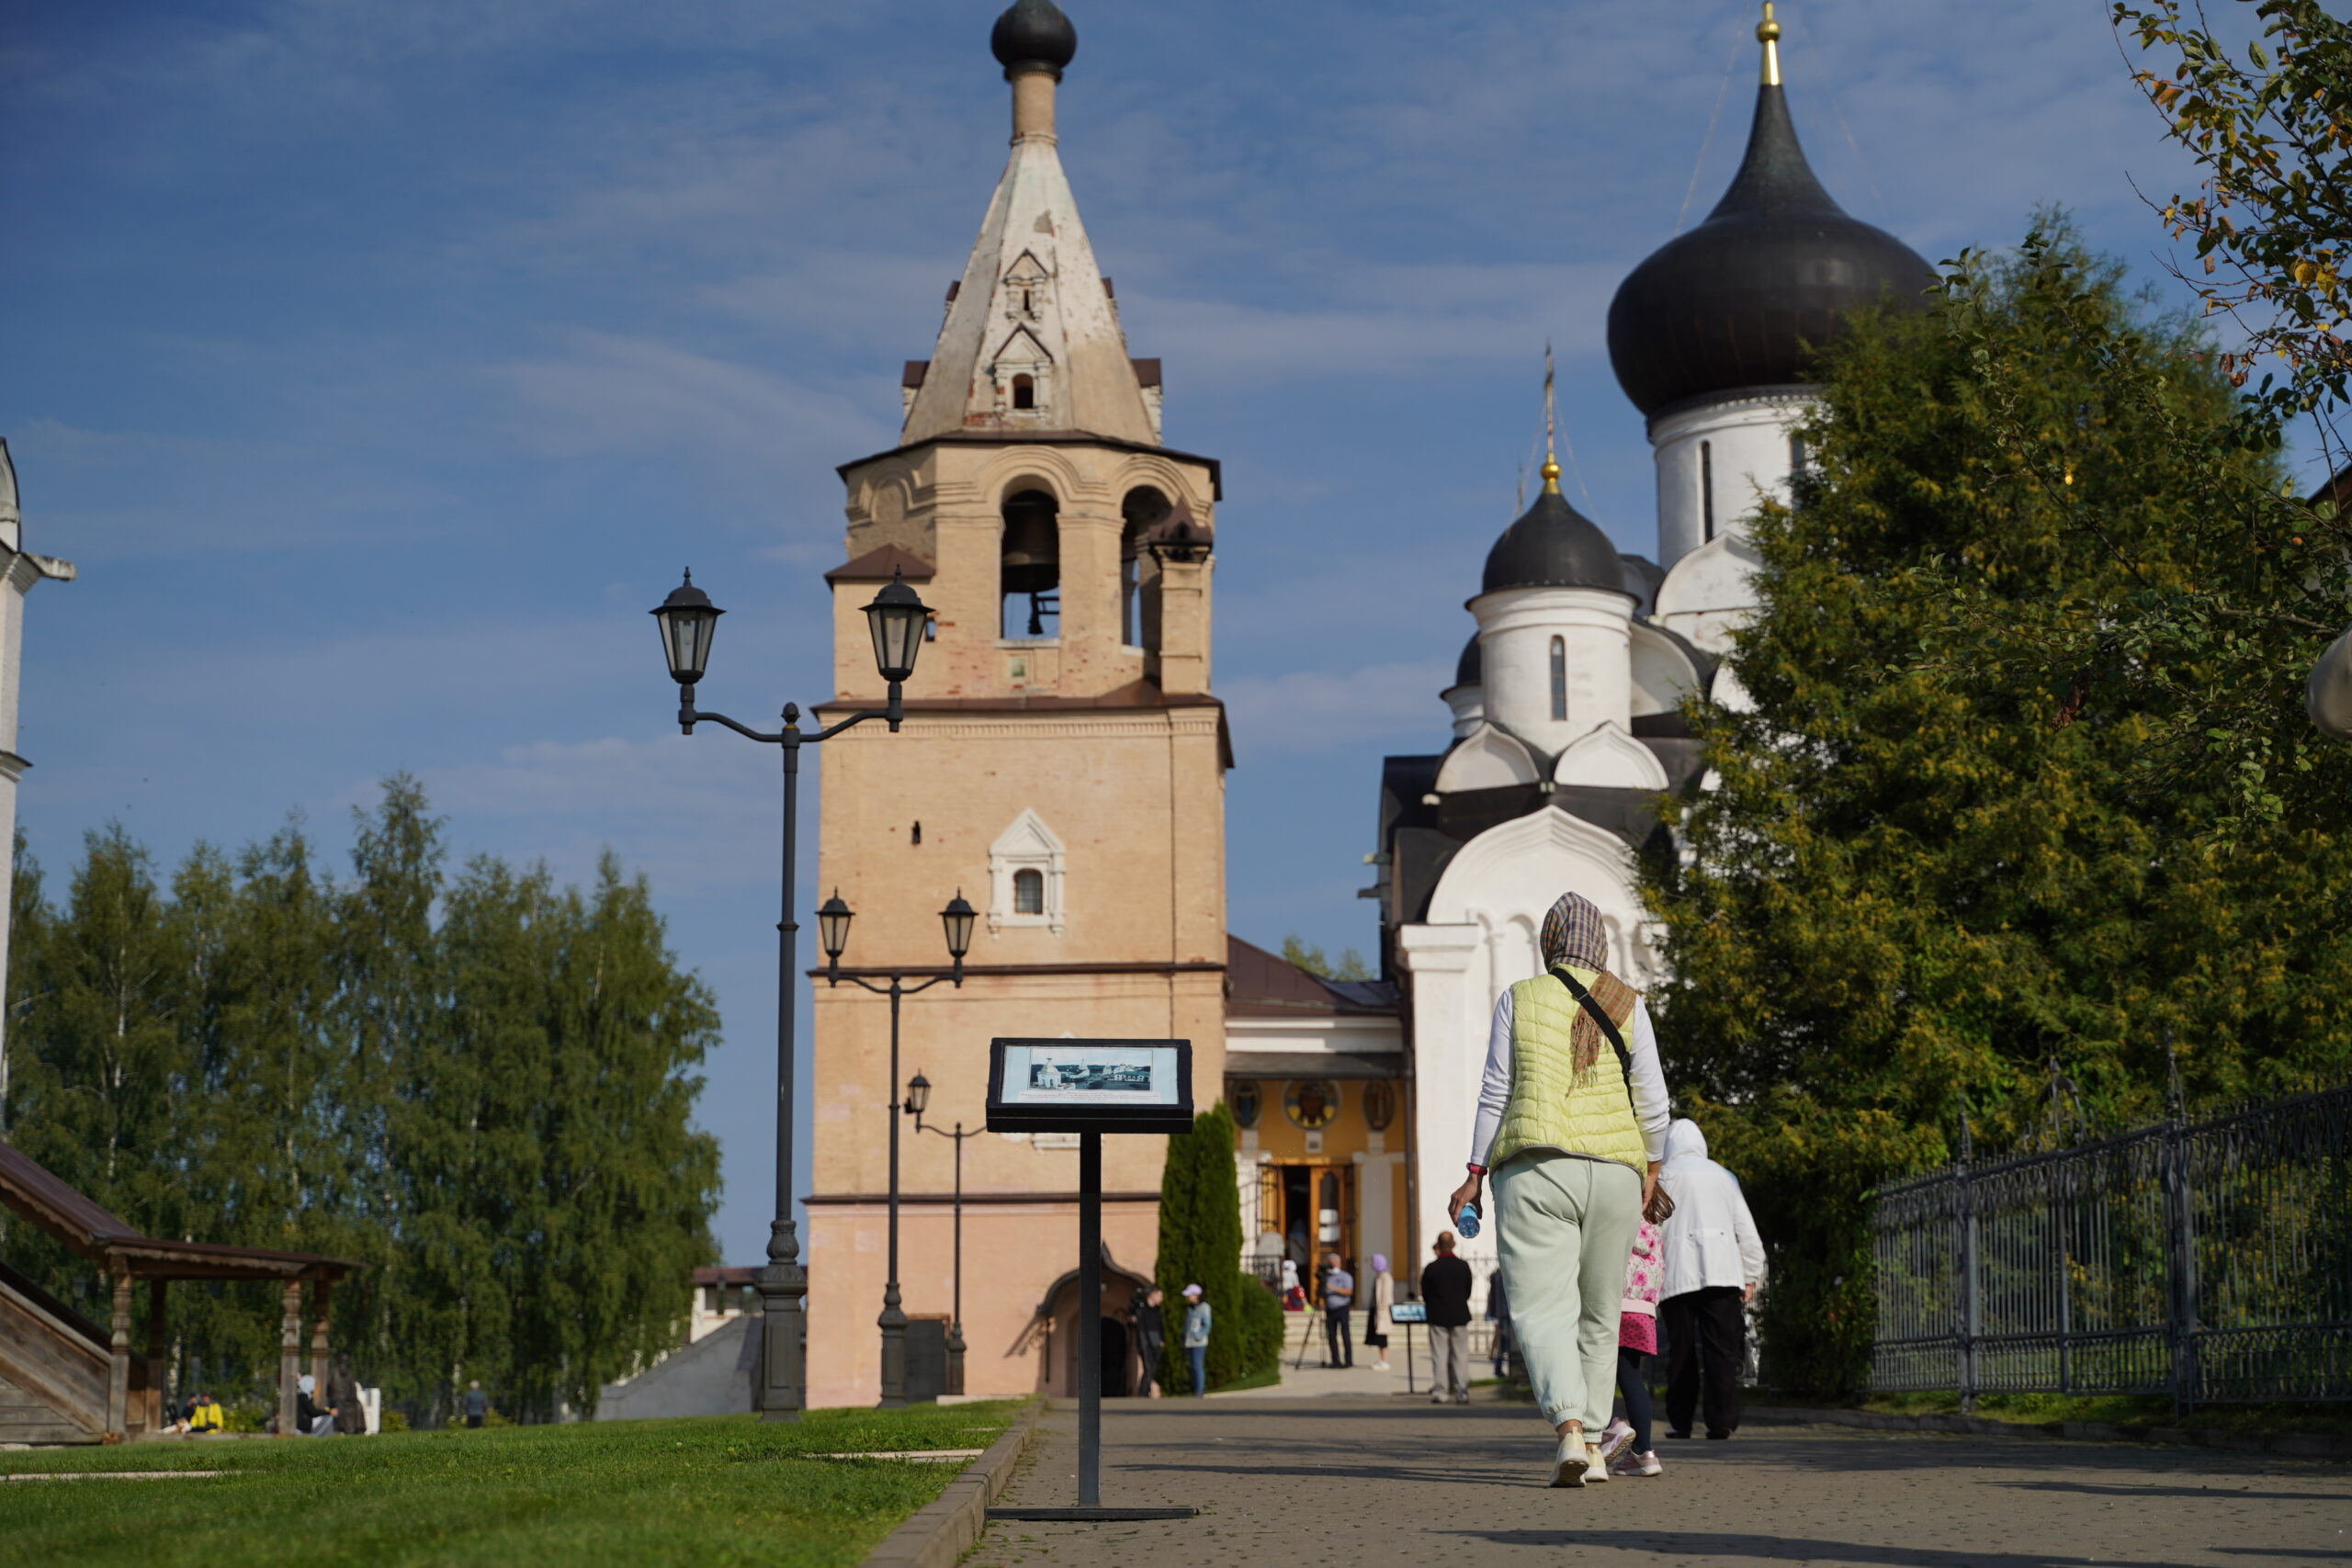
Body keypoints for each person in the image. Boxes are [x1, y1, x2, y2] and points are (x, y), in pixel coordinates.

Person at [1447, 890, 1670, 1488]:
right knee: (1601, 1312)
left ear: (1549, 943)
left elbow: (1497, 1089)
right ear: (1600, 944)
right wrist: (1651, 1170)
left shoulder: (1519, 997)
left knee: (1544, 1308)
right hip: (1617, 1174)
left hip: (1536, 1166)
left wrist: (1474, 1172)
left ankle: (1571, 1429)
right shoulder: (1628, 1002)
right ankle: (1598, 1445)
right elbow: (1652, 1097)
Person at [1657, 1117, 1766, 1440]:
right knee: (1723, 1350)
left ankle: (1681, 1421)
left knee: (1681, 1351)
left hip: (1677, 1275)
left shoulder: (1663, 1175)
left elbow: (1653, 1229)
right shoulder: (1724, 1176)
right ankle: (1722, 1421)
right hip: (1724, 1274)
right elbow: (1746, 1231)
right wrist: (1751, 1275)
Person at [1597, 1220, 1666, 1477]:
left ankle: (1609, 1428)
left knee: (1594, 1372)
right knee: (1631, 1377)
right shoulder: (1652, 1230)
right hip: (1643, 1310)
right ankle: (1644, 1452)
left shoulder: (1614, 1219)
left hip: (1610, 1305)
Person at [1419, 1232, 1474, 1404]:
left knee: (1439, 1356)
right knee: (1461, 1355)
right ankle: (1462, 1392)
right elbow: (1467, 1291)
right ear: (1454, 1244)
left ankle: (1441, 1392)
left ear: (1438, 1246)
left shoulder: (1431, 1268)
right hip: (1459, 1315)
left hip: (1437, 1316)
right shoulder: (1463, 1266)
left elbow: (1425, 1293)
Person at [1321, 1252, 1355, 1368]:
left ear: (1339, 1264)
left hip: (1342, 1307)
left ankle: (1348, 1361)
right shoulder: (1327, 1277)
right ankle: (1335, 1360)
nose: (1332, 1266)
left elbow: (1348, 1291)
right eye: (1330, 1264)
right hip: (1330, 1309)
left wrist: (1332, 1288)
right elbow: (1322, 1292)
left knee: (1345, 1334)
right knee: (1331, 1335)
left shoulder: (1345, 1276)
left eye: (1334, 1264)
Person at [1132, 1286, 1166, 1399]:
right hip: (1144, 1342)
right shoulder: (1141, 1309)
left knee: (1153, 1367)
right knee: (1148, 1367)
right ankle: (1143, 1392)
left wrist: (1162, 1339)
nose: (1161, 1298)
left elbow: (1160, 1327)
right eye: (1159, 1295)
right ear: (1152, 1294)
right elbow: (1137, 1326)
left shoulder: (1157, 1311)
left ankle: (1144, 1391)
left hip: (1155, 1341)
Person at [1363, 1255, 1395, 1371]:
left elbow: (1386, 1296)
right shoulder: (1378, 1276)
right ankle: (1381, 1359)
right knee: (1377, 1336)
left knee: (1382, 1337)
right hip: (1375, 1310)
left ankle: (1385, 1361)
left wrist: (1381, 1309)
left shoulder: (1386, 1277)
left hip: (1382, 1312)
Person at [1180, 1283, 1212, 1397]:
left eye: (1189, 1295)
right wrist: (1183, 1335)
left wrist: (1199, 1335)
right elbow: (1186, 1325)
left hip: (1199, 1342)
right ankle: (1195, 1388)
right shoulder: (1189, 1309)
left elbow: (1207, 1325)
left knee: (1197, 1366)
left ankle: (1199, 1391)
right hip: (1189, 1342)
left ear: (1196, 1295)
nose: (1187, 1297)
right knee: (1192, 1366)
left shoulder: (1204, 1307)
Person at [330, 1352, 367, 1436]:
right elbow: (329, 1386)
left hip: (348, 1398)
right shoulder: (333, 1372)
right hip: (337, 1399)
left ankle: (359, 1428)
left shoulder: (349, 1372)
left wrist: (352, 1397)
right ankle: (346, 1429)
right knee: (343, 1407)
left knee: (358, 1405)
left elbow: (353, 1387)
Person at [1488, 1268, 1513, 1380]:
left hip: (1503, 1312)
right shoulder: (1499, 1275)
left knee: (1504, 1342)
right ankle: (1499, 1368)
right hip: (1505, 1312)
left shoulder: (1497, 1275)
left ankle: (1499, 1367)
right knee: (1504, 1342)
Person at [295, 1373, 335, 1437]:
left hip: (303, 1426)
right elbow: (313, 1412)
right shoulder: (303, 1397)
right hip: (302, 1428)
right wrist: (329, 1412)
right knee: (328, 1419)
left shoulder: (303, 1397)